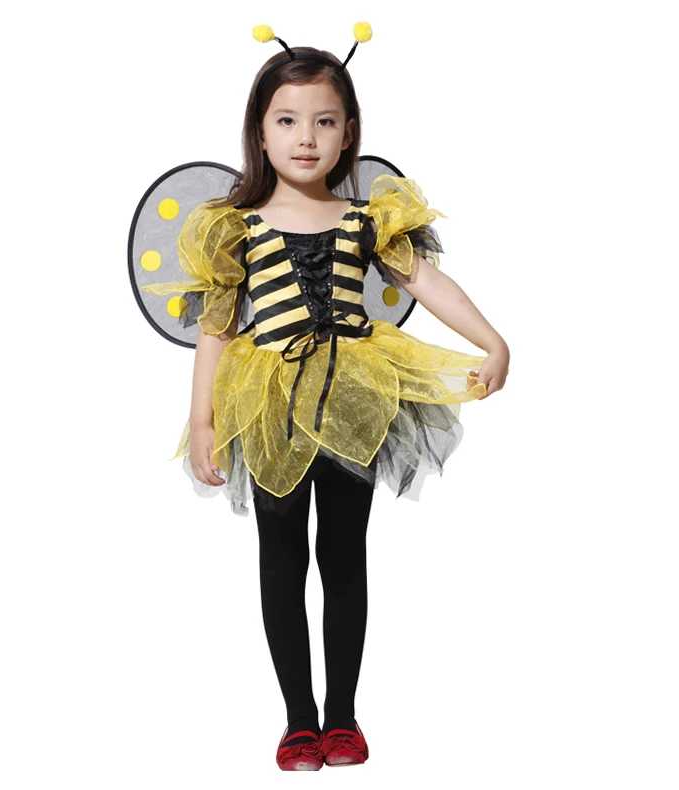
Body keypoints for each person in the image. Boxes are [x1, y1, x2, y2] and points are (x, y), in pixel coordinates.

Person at [141, 23, 510, 770]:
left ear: (349, 133)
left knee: (344, 556)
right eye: (287, 120)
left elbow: (425, 282)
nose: (305, 137)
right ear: (260, 132)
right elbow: (216, 328)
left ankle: (342, 717)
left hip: (352, 401)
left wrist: (493, 341)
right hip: (270, 405)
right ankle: (298, 721)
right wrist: (202, 420)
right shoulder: (234, 228)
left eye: (324, 121)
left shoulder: (367, 220)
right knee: (280, 560)